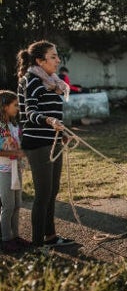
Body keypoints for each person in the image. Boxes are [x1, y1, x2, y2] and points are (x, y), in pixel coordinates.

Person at [17, 40, 75, 249]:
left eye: (57, 56)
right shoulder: (31, 80)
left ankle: (50, 237)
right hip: (37, 142)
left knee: (53, 191)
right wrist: (49, 121)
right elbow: (29, 113)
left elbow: (52, 110)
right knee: (43, 194)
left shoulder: (53, 81)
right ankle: (37, 245)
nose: (58, 60)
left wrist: (61, 133)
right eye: (53, 56)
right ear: (40, 61)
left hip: (52, 141)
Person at [0, 90, 29, 253]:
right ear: (4, 107)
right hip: (3, 170)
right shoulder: (0, 127)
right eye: (15, 105)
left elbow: (19, 144)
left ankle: (15, 235)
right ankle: (6, 238)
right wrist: (14, 153)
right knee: (8, 205)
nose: (17, 108)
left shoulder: (14, 125)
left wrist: (22, 151)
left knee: (17, 204)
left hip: (17, 169)